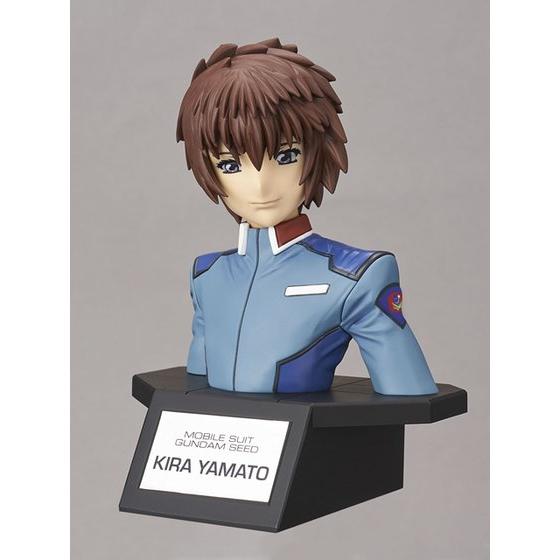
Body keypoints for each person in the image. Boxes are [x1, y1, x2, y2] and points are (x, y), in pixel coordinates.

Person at [176, 38, 437, 395]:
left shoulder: (356, 275)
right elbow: (193, 387)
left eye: (286, 157)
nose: (260, 186)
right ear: (207, 170)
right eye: (230, 165)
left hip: (308, 432)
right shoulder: (207, 276)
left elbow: (407, 390)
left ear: (319, 151)